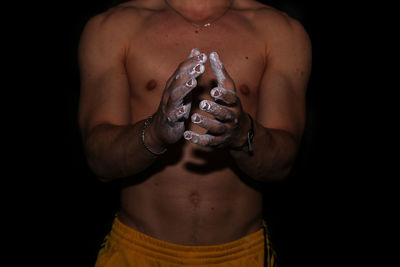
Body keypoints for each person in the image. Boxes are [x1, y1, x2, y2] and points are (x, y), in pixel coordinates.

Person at [78, 0, 311, 266]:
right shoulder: (112, 28)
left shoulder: (281, 32)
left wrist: (241, 134)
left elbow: (282, 165)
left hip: (243, 254)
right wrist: (154, 133)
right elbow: (99, 161)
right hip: (137, 252)